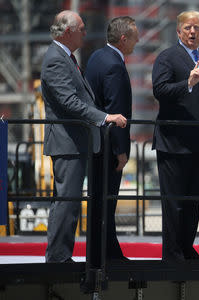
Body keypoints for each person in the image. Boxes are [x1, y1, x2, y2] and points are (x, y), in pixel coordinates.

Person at [41, 10, 127, 263]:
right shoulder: (56, 59)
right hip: (67, 142)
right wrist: (104, 117)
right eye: (82, 29)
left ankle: (60, 256)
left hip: (75, 141)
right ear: (68, 32)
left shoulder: (65, 56)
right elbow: (68, 101)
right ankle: (57, 258)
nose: (86, 33)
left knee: (72, 201)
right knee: (67, 201)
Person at [152, 10, 199, 262]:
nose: (193, 32)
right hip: (175, 142)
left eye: (197, 28)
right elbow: (159, 90)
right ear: (178, 31)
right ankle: (172, 254)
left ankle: (186, 248)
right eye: (188, 28)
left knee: (193, 202)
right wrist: (188, 84)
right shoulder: (167, 57)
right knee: (174, 202)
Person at [84, 16, 139, 264]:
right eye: (135, 37)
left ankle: (102, 251)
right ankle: (108, 255)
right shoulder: (115, 65)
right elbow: (116, 109)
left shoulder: (97, 57)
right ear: (124, 38)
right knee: (107, 200)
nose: (137, 42)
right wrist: (121, 151)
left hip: (95, 141)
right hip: (108, 145)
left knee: (99, 201)